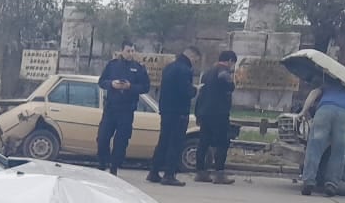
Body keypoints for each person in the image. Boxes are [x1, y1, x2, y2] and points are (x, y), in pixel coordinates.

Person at [146, 46, 200, 186]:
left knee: (163, 141)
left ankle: (154, 171)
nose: (195, 62)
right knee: (175, 143)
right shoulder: (185, 70)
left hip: (166, 110)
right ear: (191, 56)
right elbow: (185, 91)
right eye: (195, 59)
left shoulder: (169, 67)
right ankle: (169, 174)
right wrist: (195, 90)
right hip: (179, 111)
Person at [96, 40, 151, 175]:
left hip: (126, 109)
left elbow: (145, 87)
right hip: (111, 108)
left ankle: (114, 167)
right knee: (103, 137)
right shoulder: (112, 65)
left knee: (121, 140)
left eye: (132, 51)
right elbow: (101, 82)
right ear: (122, 51)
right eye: (128, 51)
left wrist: (130, 87)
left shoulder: (138, 68)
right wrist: (112, 84)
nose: (130, 53)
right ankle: (102, 163)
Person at [298, 75, 345, 197]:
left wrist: (303, 111)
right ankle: (331, 184)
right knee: (339, 151)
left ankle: (308, 181)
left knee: (315, 147)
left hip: (324, 112)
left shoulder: (328, 86)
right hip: (344, 115)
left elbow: (313, 93)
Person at [194, 49, 238, 184]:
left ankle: (200, 172)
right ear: (230, 60)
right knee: (222, 143)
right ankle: (219, 173)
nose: (233, 66)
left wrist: (198, 113)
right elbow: (231, 87)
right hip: (219, 113)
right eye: (233, 63)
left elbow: (201, 94)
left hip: (205, 112)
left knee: (203, 142)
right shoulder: (224, 72)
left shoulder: (206, 73)